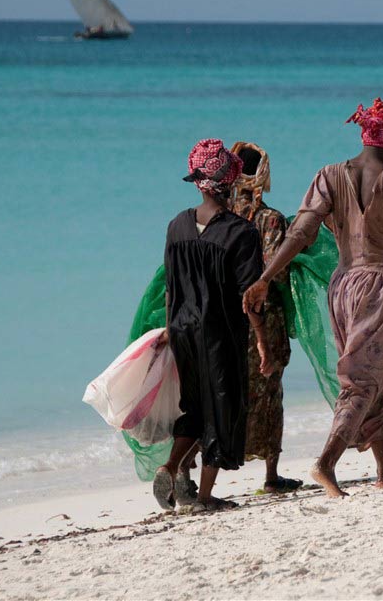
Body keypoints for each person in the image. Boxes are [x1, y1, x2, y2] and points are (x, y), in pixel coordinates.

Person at [243, 99, 383, 497]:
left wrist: (265, 277)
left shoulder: (327, 176)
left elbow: (301, 233)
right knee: (364, 381)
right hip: (381, 285)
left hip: (342, 286)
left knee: (376, 374)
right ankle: (326, 463)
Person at [153, 139, 272, 513]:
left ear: (197, 181)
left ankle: (170, 467)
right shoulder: (241, 232)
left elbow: (170, 287)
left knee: (193, 407)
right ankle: (203, 496)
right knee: (223, 409)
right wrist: (263, 341)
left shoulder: (177, 226)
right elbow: (249, 298)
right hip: (220, 334)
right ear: (232, 182)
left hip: (182, 330)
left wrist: (170, 331)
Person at [229, 140, 302, 494]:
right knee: (269, 392)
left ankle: (198, 470)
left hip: (222, 318)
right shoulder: (270, 219)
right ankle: (271, 475)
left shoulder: (216, 216)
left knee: (222, 390)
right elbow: (276, 272)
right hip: (264, 318)